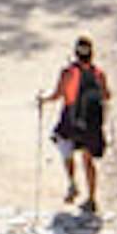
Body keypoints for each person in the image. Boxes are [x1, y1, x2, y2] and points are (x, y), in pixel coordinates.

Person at [48, 37, 111, 216]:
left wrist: (43, 99)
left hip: (70, 117)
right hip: (91, 122)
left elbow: (57, 95)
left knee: (66, 150)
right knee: (88, 159)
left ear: (75, 52)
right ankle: (92, 198)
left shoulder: (67, 72)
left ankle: (72, 184)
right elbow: (107, 96)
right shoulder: (99, 73)